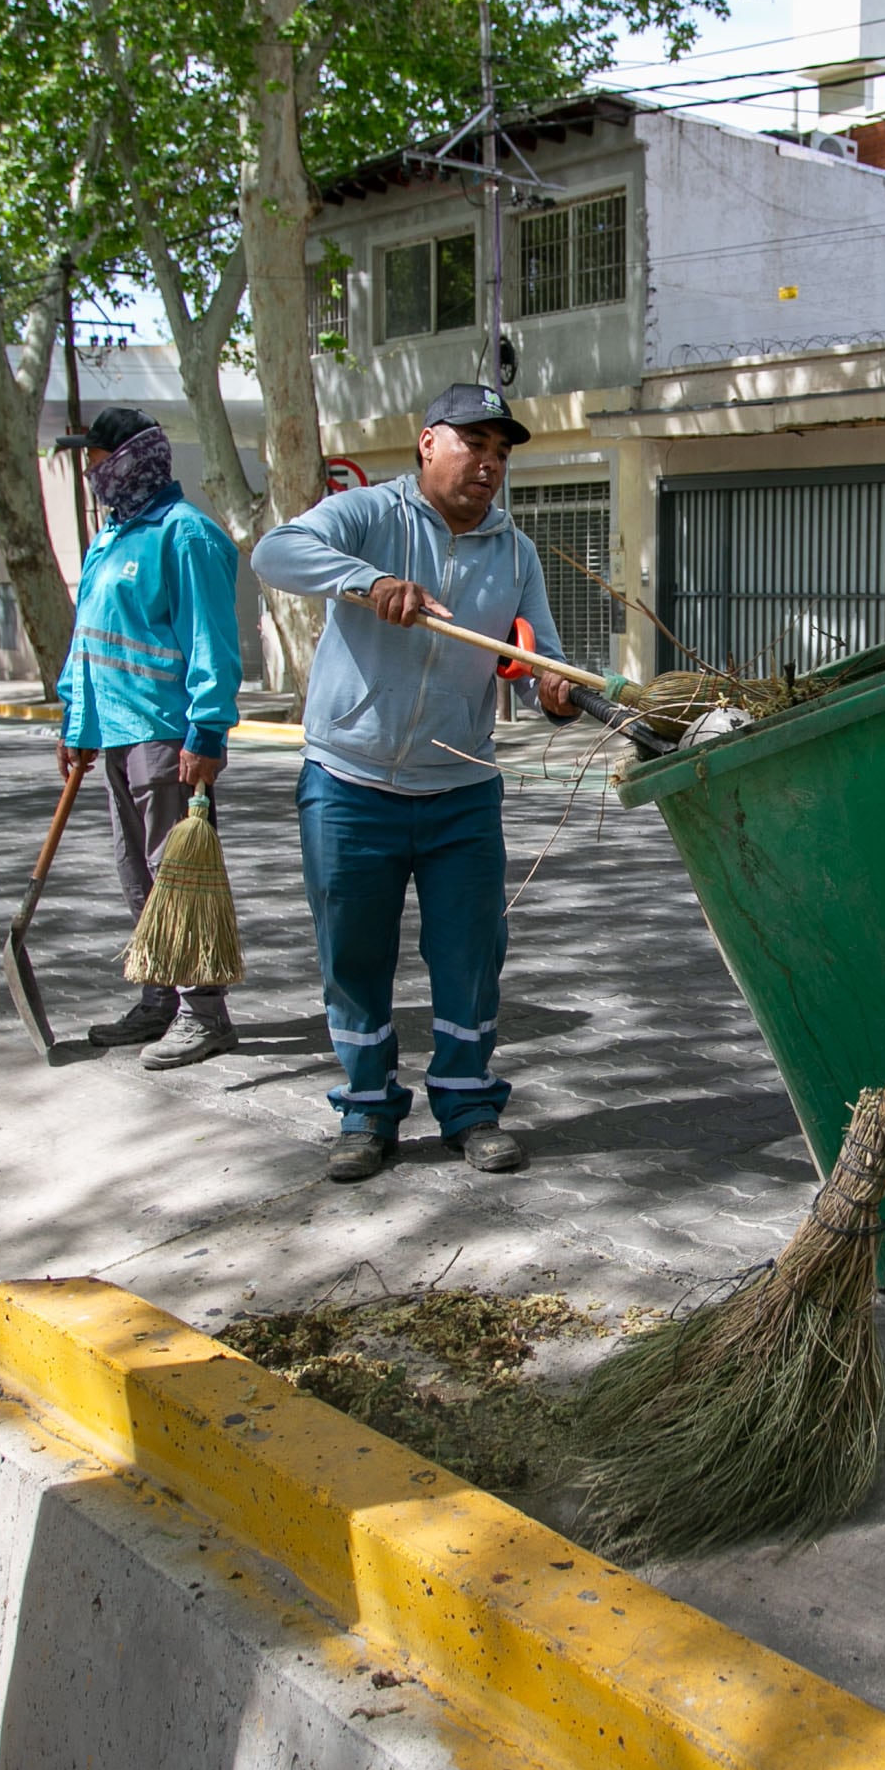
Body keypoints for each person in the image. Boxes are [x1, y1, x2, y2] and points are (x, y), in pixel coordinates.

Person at [249, 384, 575, 1183]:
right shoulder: (369, 514)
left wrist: (557, 692)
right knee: (353, 958)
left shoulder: (515, 551)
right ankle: (366, 1111)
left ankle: (469, 1105)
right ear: (428, 443)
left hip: (461, 788)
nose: (489, 465)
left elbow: (535, 663)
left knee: (470, 956)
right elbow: (274, 554)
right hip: (350, 782)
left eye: (500, 454)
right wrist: (367, 582)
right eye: (474, 445)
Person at [54, 406, 247, 1070]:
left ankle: (206, 1015)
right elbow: (87, 644)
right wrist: (75, 723)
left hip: (167, 736)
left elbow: (211, 645)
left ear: (132, 458)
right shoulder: (109, 541)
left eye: (99, 459)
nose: (92, 472)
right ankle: (157, 997)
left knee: (178, 875)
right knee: (136, 873)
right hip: (115, 733)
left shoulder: (186, 536)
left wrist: (208, 729)